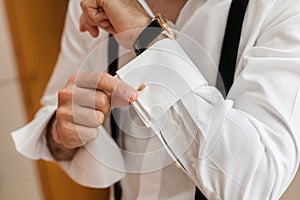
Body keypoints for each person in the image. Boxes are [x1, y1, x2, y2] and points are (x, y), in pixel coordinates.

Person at [12, 0, 300, 199]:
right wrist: (62, 133)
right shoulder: (90, 3)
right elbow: (53, 119)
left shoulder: (284, 9)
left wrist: (146, 36)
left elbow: (255, 185)